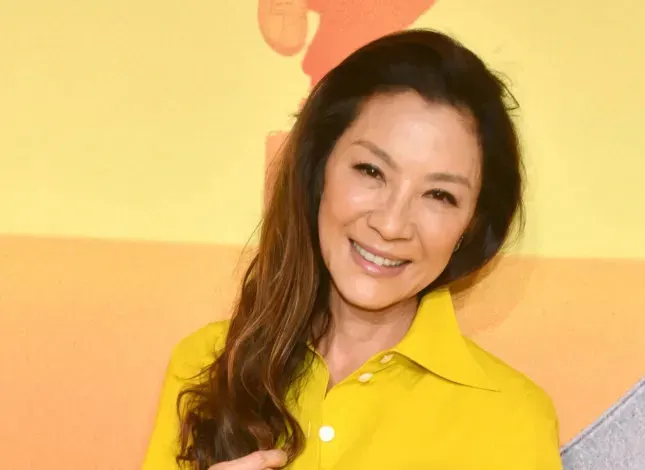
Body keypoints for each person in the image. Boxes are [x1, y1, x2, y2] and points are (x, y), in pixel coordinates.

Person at [141, 29, 563, 470]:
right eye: (371, 171)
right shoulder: (205, 363)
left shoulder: (514, 419)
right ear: (319, 168)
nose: (391, 224)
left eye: (439, 195)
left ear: (471, 225)